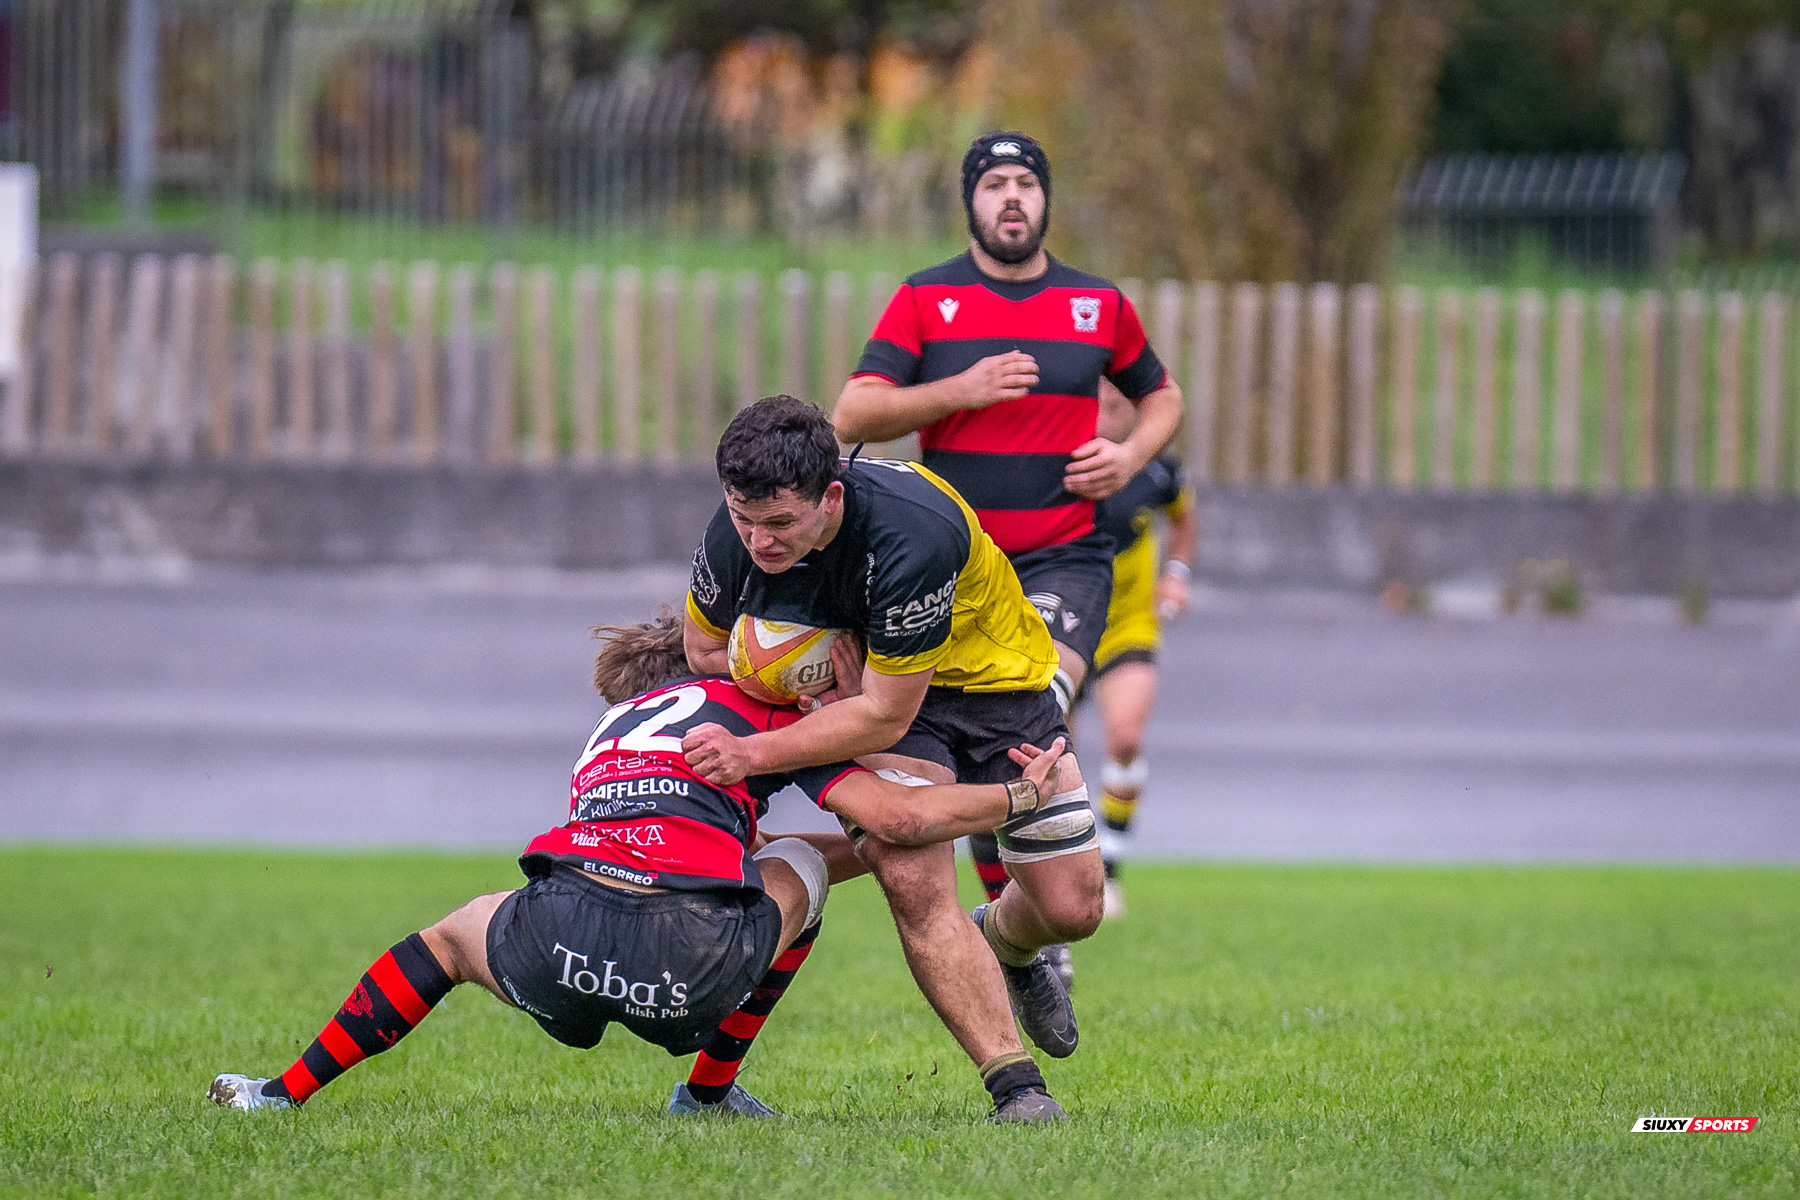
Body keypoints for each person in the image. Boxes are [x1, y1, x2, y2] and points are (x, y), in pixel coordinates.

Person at [208, 612, 1072, 1124]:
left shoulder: (612, 727)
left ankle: (278, 1094)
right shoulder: (749, 711)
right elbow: (899, 811)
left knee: (449, 936)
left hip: (554, 947)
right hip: (690, 967)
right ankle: (706, 1095)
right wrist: (1014, 797)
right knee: (799, 880)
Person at [680, 394, 1103, 1122]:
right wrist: (802, 685)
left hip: (993, 693)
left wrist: (755, 750)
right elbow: (704, 649)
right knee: (909, 870)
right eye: (745, 518)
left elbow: (884, 712)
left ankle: (1002, 939)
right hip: (881, 697)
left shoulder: (911, 534)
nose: (758, 541)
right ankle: (1017, 1089)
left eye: (780, 523)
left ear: (830, 496)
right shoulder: (736, 529)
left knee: (1072, 908)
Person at [829, 130, 1184, 972]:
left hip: (1065, 555)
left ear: (1046, 198)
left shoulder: (1097, 304)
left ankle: (1032, 936)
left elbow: (1163, 396)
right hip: (953, 571)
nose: (1012, 197)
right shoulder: (927, 298)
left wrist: (1129, 457)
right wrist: (962, 389)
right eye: (994, 184)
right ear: (972, 202)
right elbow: (851, 414)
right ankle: (1015, 936)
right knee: (991, 740)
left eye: (1026, 181)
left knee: (1032, 718)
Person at [1085, 454, 1197, 917]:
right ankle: (1049, 873)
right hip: (1061, 622)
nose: (1110, 417)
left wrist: (1176, 575)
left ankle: (1108, 870)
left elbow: (1184, 518)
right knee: (1049, 751)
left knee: (1127, 737)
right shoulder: (1053, 457)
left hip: (1128, 626)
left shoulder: (1157, 471)